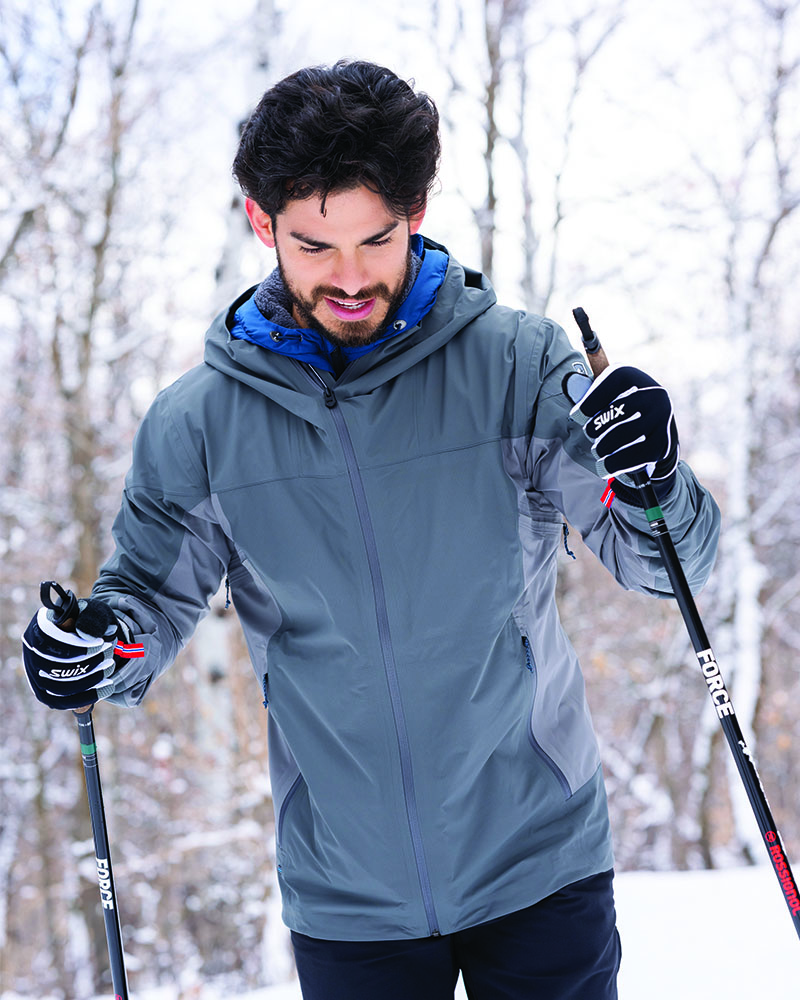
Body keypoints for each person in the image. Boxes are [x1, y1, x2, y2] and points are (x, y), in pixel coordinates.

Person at [22, 60, 720, 999]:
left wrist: (655, 476)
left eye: (375, 240)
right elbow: (145, 604)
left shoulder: (515, 363)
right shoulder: (197, 424)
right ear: (260, 224)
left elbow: (664, 560)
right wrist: (96, 649)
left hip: (540, 859)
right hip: (351, 896)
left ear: (417, 211)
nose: (349, 278)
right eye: (314, 247)